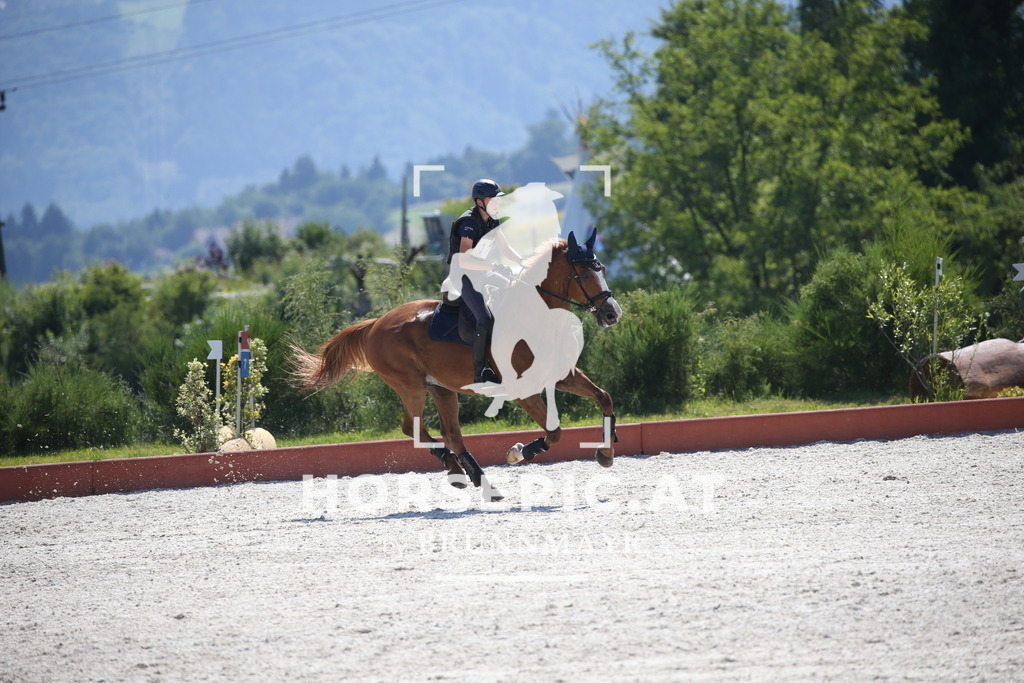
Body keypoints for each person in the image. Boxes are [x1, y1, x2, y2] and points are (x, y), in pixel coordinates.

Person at [442, 179, 523, 384]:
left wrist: (524, 261)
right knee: (484, 319)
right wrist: (494, 267)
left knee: (516, 289)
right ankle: (480, 372)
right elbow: (466, 259)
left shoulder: (492, 220)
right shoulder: (469, 223)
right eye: (492, 199)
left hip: (482, 273)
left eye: (498, 199)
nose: (497, 203)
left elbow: (505, 248)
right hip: (463, 277)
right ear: (479, 202)